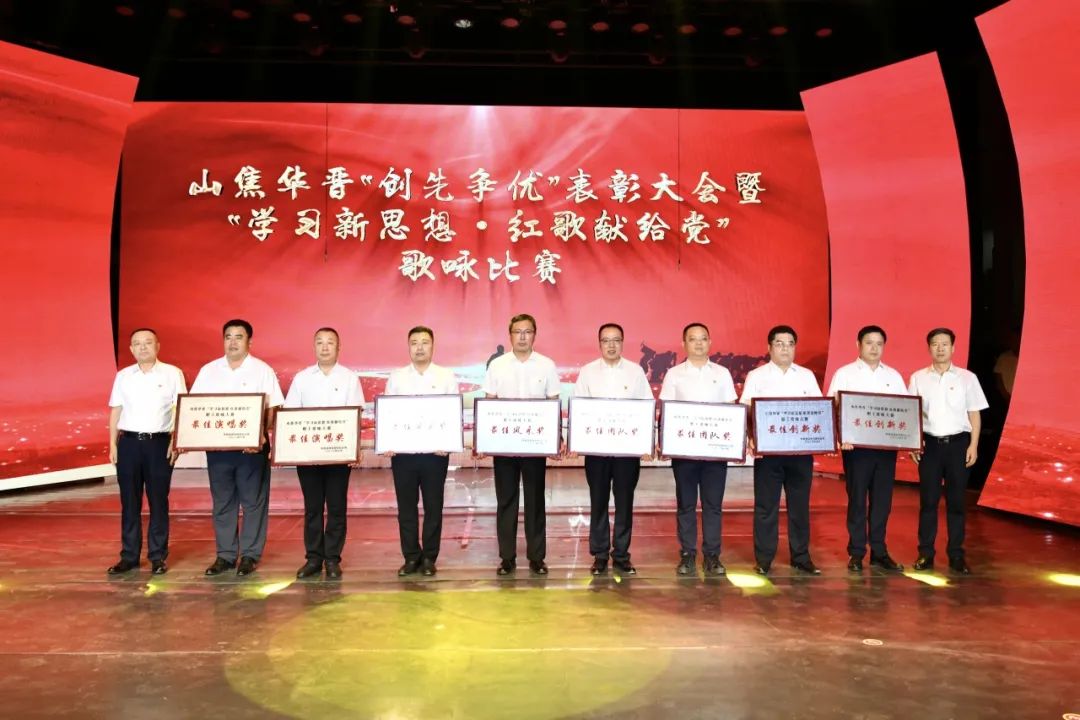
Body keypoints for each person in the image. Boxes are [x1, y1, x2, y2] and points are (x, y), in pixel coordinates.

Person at [191, 319, 284, 577]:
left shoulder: (262, 370)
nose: (232, 342)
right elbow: (194, 406)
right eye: (228, 337)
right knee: (223, 502)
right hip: (218, 449)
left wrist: (260, 435)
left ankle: (250, 555)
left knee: (253, 502)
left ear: (249, 342)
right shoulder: (209, 370)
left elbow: (274, 407)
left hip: (252, 449)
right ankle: (226, 555)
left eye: (238, 337)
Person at [739, 325, 823, 576]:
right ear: (769, 347)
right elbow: (747, 409)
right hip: (768, 454)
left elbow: (819, 409)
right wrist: (751, 437)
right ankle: (764, 559)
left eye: (790, 344)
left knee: (800, 507)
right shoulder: (757, 376)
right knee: (766, 507)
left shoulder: (806, 376)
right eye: (779, 343)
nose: (785, 348)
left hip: (800, 454)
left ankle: (801, 557)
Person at [573, 323, 654, 576]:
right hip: (596, 452)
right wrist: (576, 440)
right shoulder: (587, 372)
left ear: (622, 343)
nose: (611, 345)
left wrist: (646, 442)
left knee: (624, 502)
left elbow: (647, 406)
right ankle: (599, 555)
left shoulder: (635, 372)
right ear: (599, 344)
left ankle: (621, 555)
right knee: (598, 501)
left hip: (626, 453)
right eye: (606, 340)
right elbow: (579, 407)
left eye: (616, 340)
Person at [482, 313, 560, 576]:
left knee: (535, 501)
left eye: (527, 332)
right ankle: (507, 557)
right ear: (510, 335)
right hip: (504, 445)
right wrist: (484, 439)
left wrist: (556, 439)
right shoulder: (497, 365)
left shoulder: (547, 365)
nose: (523, 337)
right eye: (518, 332)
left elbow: (553, 402)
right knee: (506, 501)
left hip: (535, 445)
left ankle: (537, 557)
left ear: (534, 335)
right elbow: (490, 401)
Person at [284, 328, 364, 580]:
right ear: (314, 347)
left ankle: (332, 559)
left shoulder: (349, 378)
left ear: (339, 348)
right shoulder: (302, 379)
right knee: (313, 508)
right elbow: (290, 415)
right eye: (320, 342)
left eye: (330, 342)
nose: (325, 347)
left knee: (337, 507)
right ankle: (313, 559)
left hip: (338, 455)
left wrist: (355, 448)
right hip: (308, 456)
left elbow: (355, 415)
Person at [826, 325, 907, 573]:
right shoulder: (845, 373)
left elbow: (904, 410)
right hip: (856, 449)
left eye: (879, 344)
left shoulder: (893, 376)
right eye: (869, 343)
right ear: (858, 345)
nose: (874, 348)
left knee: (882, 501)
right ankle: (857, 552)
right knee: (858, 500)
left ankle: (879, 552)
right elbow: (833, 407)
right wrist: (842, 436)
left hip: (885, 449)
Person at [106, 328, 187, 575]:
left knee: (158, 501)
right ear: (131, 349)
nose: (143, 347)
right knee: (129, 502)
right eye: (137, 343)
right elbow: (116, 410)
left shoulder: (172, 373)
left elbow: (182, 408)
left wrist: (176, 441)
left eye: (148, 342)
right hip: (129, 443)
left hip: (159, 444)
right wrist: (112, 444)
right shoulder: (123, 376)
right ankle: (129, 556)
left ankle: (157, 556)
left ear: (157, 346)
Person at [659, 322, 737, 577]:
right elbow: (667, 411)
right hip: (685, 453)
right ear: (684, 344)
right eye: (693, 339)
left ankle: (712, 556)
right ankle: (687, 554)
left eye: (703, 338)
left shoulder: (722, 373)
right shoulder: (674, 374)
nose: (699, 343)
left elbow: (731, 410)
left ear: (710, 342)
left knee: (713, 505)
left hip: (715, 452)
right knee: (686, 505)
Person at [908, 328, 989, 574]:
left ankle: (956, 555)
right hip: (930, 446)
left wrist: (973, 445)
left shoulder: (967, 378)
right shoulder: (918, 378)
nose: (940, 348)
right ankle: (925, 554)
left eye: (945, 344)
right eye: (935, 344)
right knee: (928, 502)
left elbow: (974, 413)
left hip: (958, 445)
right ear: (929, 348)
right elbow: (911, 413)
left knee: (956, 503)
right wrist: (913, 443)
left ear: (953, 348)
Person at [384, 326, 460, 577]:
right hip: (403, 455)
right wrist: (387, 442)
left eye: (425, 342)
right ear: (408, 346)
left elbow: (452, 413)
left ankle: (429, 557)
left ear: (433, 346)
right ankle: (411, 557)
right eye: (414, 342)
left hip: (435, 454)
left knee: (433, 507)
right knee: (406, 508)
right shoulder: (397, 377)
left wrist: (448, 443)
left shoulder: (445, 376)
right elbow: (389, 413)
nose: (419, 347)